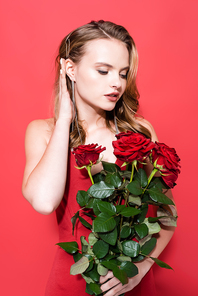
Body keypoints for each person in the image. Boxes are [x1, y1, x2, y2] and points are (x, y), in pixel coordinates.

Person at [22, 20, 176, 296]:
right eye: (103, 71)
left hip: (131, 285)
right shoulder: (43, 131)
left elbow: (168, 214)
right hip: (72, 283)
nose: (116, 83)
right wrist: (65, 120)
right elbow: (45, 202)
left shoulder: (139, 131)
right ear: (71, 69)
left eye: (123, 73)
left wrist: (138, 271)